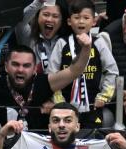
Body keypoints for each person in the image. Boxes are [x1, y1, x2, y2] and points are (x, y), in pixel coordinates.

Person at [48, 0, 119, 128]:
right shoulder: (61, 43)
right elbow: (52, 73)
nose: (81, 21)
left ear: (94, 21)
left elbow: (112, 71)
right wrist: (58, 100)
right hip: (65, 106)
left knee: (91, 138)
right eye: (76, 17)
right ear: (69, 21)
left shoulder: (99, 43)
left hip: (93, 104)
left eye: (86, 18)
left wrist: (104, 96)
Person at [15, 0, 69, 74]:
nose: (49, 19)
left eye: (55, 16)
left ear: (61, 21)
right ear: (37, 17)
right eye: (46, 14)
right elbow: (19, 21)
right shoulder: (28, 36)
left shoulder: (67, 41)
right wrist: (38, 2)